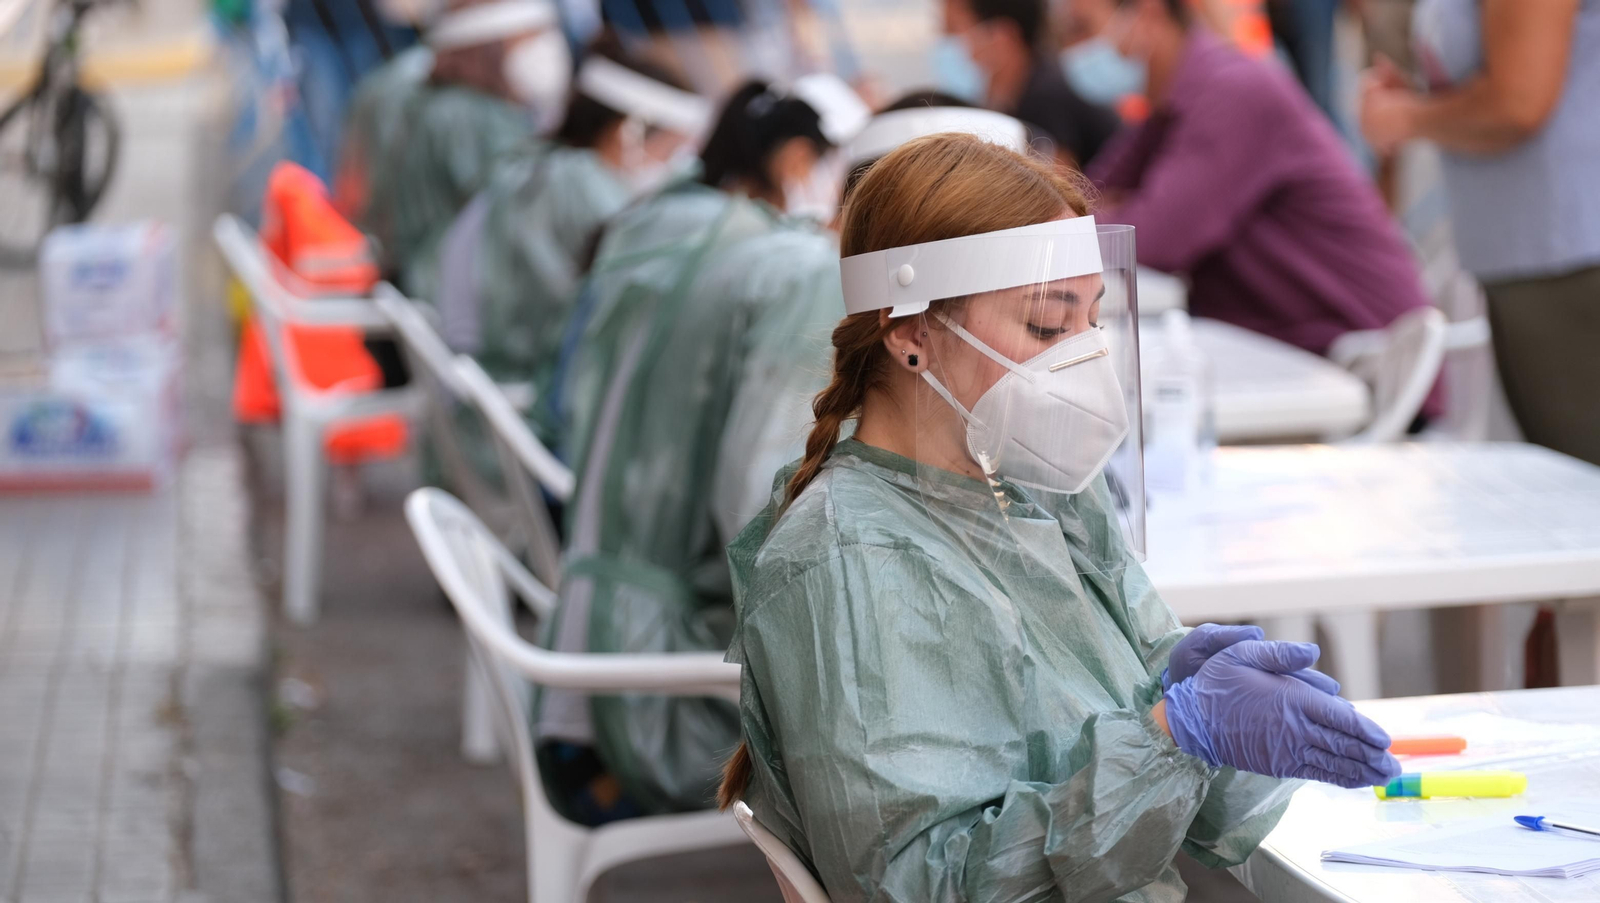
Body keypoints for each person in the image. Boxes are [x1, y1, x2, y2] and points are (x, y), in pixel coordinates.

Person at [715, 133, 1401, 901]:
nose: (1084, 361)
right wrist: (1172, 737)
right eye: (1047, 326)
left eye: (1093, 322)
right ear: (910, 333)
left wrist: (1181, 700)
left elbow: (1186, 807)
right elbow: (919, 884)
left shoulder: (1039, 490)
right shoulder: (846, 558)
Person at [533, 79, 847, 819]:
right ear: (798, 160)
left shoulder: (668, 221)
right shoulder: (794, 269)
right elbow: (761, 516)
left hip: (587, 635)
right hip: (657, 698)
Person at [1084, 0, 1435, 369]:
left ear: (1148, 12)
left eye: (1083, 29)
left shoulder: (1233, 91)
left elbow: (1148, 238)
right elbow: (1084, 200)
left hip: (1368, 359)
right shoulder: (1176, 101)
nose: (1076, 53)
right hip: (1300, 350)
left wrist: (1093, 222)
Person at [1360, 0, 1600, 465]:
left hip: (1566, 253)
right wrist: (1420, 100)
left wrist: (1407, 117)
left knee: (1580, 479)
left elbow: (1518, 103)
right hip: (1532, 251)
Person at [431, 43, 708, 421]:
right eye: (672, 150)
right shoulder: (582, 187)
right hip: (522, 412)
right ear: (626, 134)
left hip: (488, 402)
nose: (679, 167)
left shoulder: (539, 169)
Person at [372, 0, 570, 295]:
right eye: (531, 36)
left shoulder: (454, 105)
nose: (544, 48)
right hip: (443, 293)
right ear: (491, 46)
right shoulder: (470, 118)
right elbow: (514, 219)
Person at [938, 0, 1121, 167]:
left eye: (965, 31)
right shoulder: (1019, 84)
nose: (962, 43)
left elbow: (1058, 179)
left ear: (1002, 36)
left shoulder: (1045, 94)